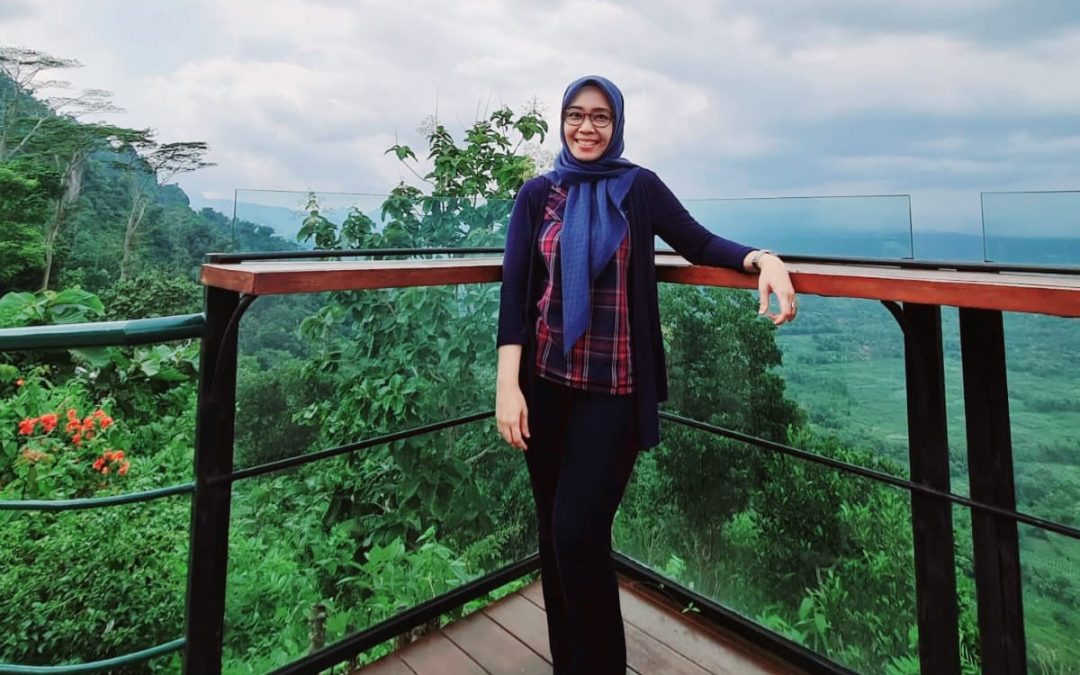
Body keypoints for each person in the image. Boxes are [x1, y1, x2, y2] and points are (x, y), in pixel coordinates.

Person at [495, 75, 797, 675]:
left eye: (600, 116)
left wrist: (763, 258)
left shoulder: (638, 188)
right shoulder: (537, 194)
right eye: (576, 115)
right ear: (562, 121)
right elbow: (516, 291)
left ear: (617, 125)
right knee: (554, 537)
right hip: (544, 387)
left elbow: (698, 242)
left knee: (579, 531)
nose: (586, 127)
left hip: (613, 393)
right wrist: (509, 386)